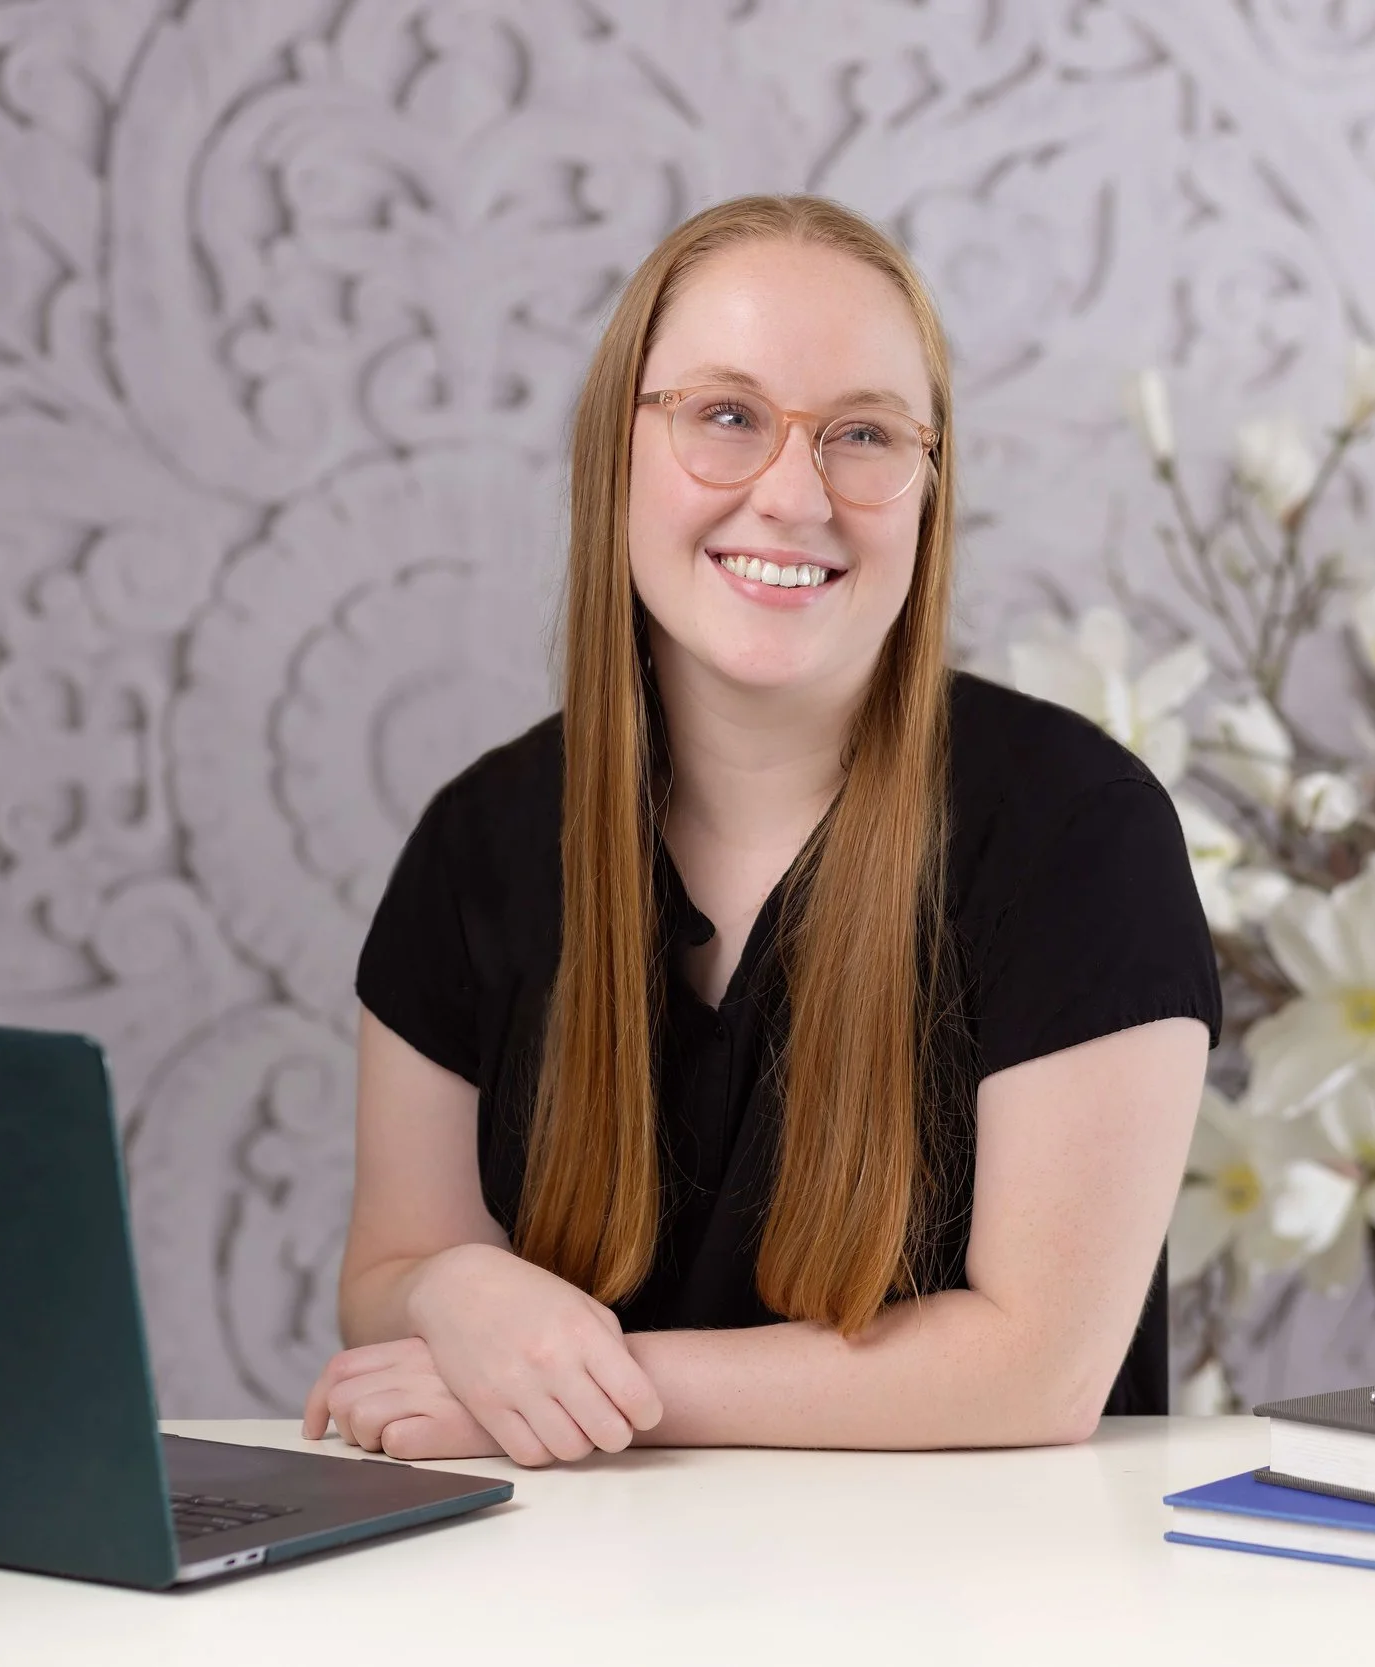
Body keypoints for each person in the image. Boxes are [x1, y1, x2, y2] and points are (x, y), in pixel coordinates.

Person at [301, 194, 1220, 1466]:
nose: (793, 495)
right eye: (726, 416)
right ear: (614, 447)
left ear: (928, 486)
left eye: (861, 434)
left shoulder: (1082, 835)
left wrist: (569, 1391)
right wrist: (453, 1296)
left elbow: (1035, 1365)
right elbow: (391, 1267)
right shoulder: (477, 839)